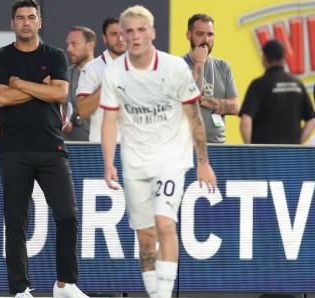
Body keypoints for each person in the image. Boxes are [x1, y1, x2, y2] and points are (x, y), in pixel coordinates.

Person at [101, 5, 216, 298]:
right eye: (130, 31)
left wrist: (203, 162)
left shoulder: (174, 68)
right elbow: (110, 121)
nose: (135, 36)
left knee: (165, 225)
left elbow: (193, 116)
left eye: (141, 30)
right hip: (134, 163)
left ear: (152, 33)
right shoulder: (114, 72)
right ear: (123, 36)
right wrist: (108, 162)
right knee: (145, 237)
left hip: (171, 159)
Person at [0, 1, 87, 297]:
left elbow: (59, 92)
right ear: (12, 23)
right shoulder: (0, 56)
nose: (26, 22)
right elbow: (2, 99)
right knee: (16, 222)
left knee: (68, 215)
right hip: (13, 149)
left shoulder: (54, 55)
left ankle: (65, 285)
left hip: (51, 147)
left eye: (31, 17)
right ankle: (20, 290)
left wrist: (19, 84)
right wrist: (38, 88)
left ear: (40, 22)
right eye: (20, 18)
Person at [239, 39, 315, 144]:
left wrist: (250, 149)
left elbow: (246, 120)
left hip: (265, 154)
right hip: (290, 155)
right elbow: (313, 121)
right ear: (284, 59)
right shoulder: (297, 84)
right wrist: (296, 143)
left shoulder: (258, 85)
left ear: (264, 58)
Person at [182, 14, 239, 143]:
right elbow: (191, 98)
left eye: (210, 34)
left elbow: (235, 107)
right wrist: (199, 62)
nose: (206, 39)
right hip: (186, 146)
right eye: (200, 34)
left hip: (218, 144)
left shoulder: (223, 66)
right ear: (189, 35)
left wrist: (202, 101)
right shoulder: (178, 65)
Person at [76, 16, 127, 142]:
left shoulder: (142, 67)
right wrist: (108, 81)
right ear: (104, 38)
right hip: (102, 147)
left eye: (123, 33)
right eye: (114, 34)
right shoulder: (92, 68)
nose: (120, 39)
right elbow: (82, 111)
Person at [62, 26, 96, 141]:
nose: (69, 49)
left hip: (102, 148)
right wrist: (61, 122)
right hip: (73, 151)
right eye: (68, 44)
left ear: (90, 45)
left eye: (74, 44)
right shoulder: (61, 78)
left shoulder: (107, 74)